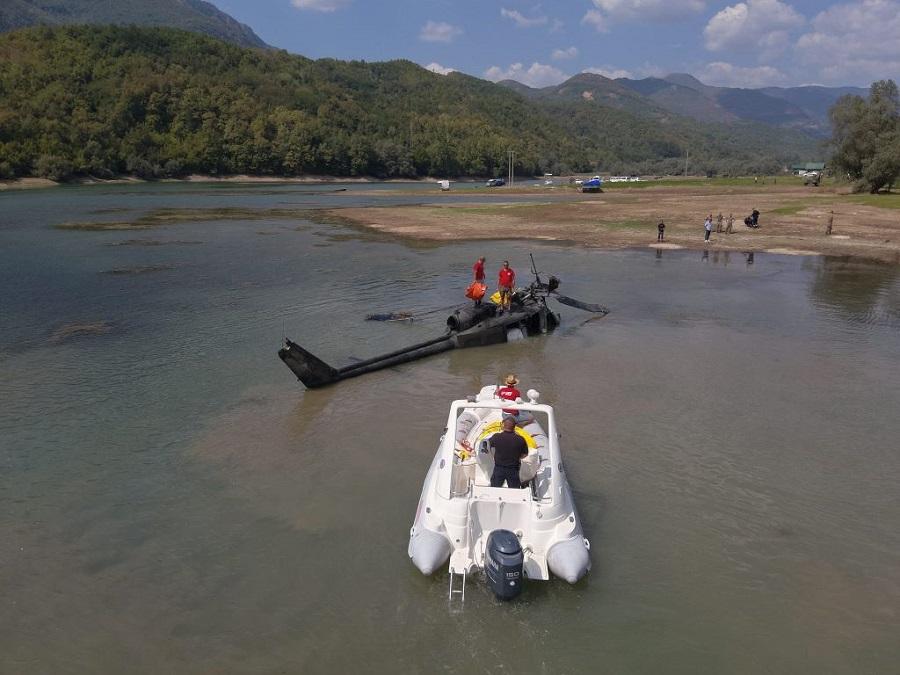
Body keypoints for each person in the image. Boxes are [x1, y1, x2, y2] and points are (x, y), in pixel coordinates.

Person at [488, 415, 528, 488]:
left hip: (499, 468)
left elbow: (487, 446)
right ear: (514, 427)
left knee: (494, 488)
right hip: (513, 469)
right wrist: (517, 456)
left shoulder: (496, 437)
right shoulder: (520, 439)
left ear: (503, 425)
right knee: (514, 490)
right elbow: (525, 454)